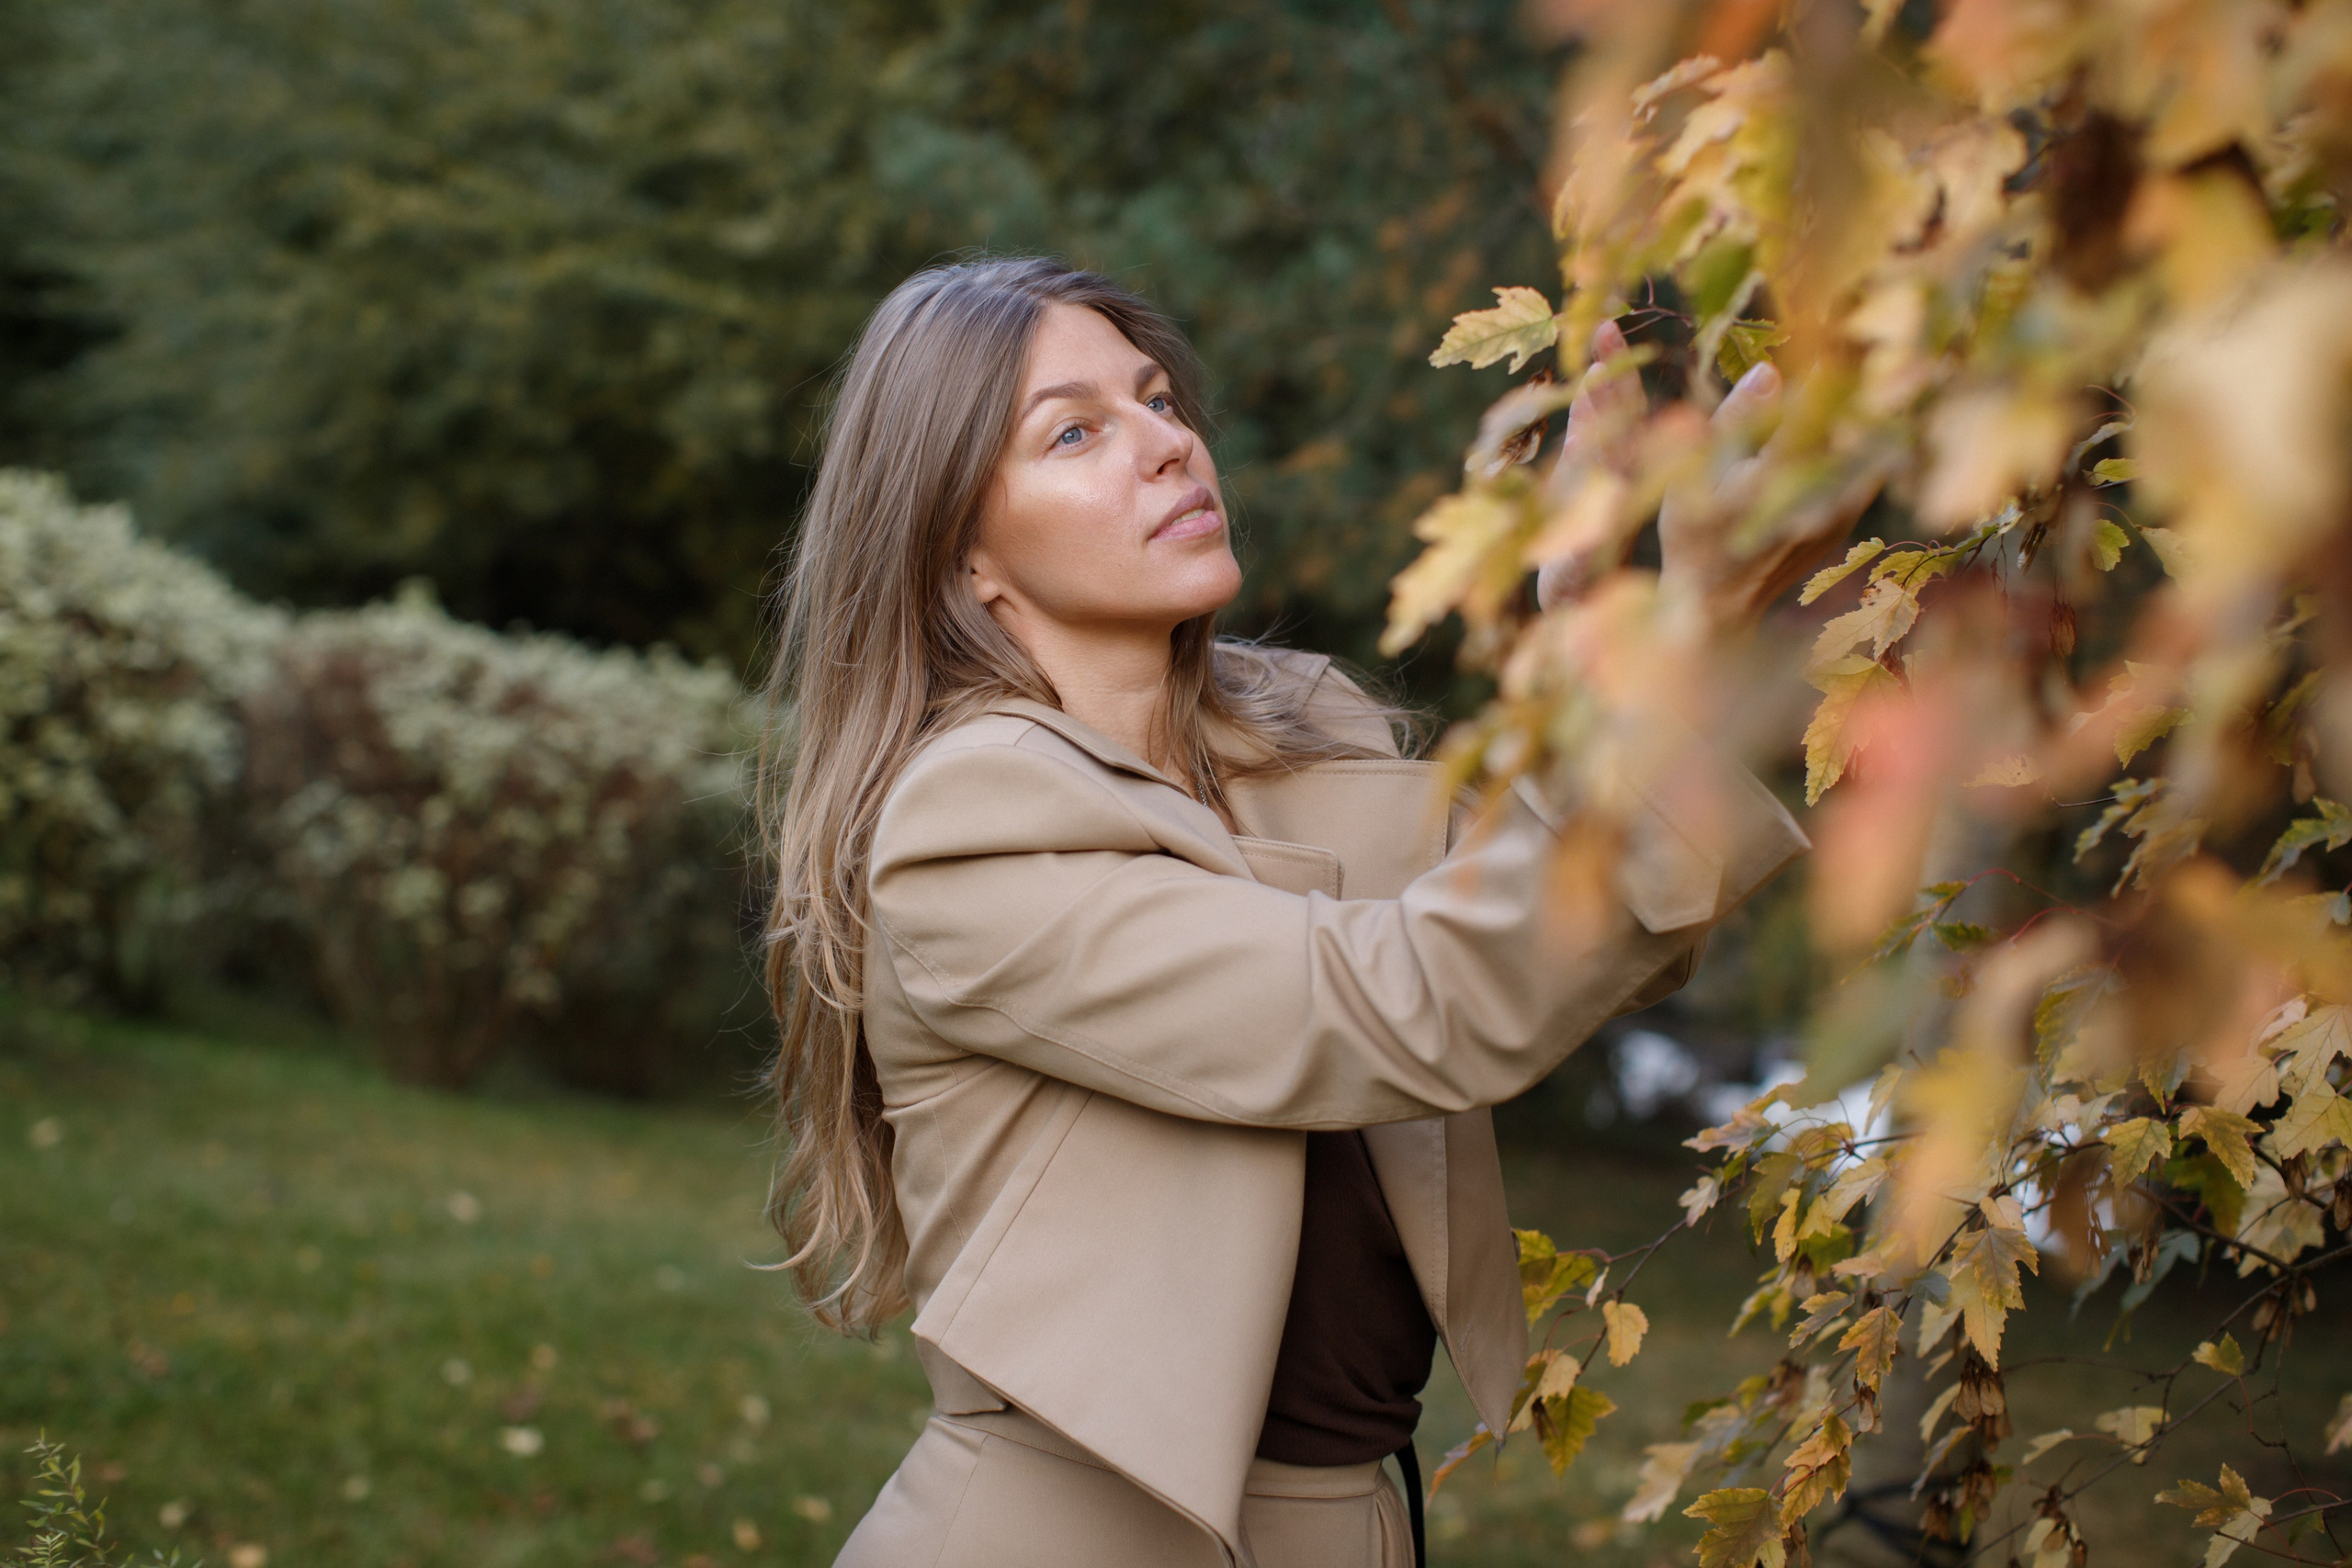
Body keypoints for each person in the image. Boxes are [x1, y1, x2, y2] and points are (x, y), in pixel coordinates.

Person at [758, 255, 1835, 1568]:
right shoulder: (968, 823)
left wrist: (1600, 642)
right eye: (1076, 432)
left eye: (1159, 399)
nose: (1166, 444)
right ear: (963, 552)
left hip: (1352, 1521)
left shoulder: (1298, 733)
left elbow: (1602, 925)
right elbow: (1401, 1005)